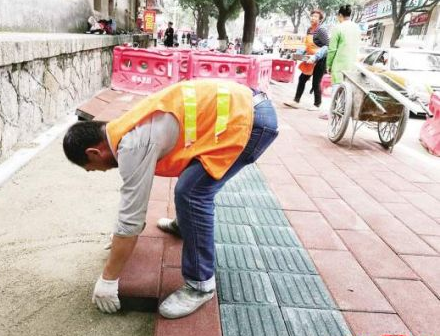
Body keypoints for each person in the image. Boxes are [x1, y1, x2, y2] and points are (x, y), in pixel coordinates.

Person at [62, 79, 279, 319]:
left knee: (192, 194)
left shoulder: (133, 143)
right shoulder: (125, 126)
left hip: (251, 122)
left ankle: (200, 285)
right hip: (245, 109)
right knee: (191, 182)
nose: (99, 172)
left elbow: (131, 219)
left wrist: (108, 279)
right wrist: (121, 235)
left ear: (94, 152)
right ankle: (186, 224)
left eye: (92, 168)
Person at [284, 9, 329, 111]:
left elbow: (327, 46)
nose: (313, 18)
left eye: (316, 17)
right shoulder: (309, 29)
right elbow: (306, 45)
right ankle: (296, 101)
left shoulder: (322, 30)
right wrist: (297, 54)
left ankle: (317, 104)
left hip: (320, 60)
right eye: (312, 16)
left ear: (320, 20)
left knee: (315, 82)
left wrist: (316, 57)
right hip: (309, 59)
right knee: (302, 79)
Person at [321, 5, 361, 119]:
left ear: (340, 15)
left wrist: (328, 64)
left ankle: (332, 113)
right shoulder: (357, 28)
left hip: (339, 64)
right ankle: (342, 112)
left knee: (337, 89)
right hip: (352, 65)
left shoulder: (338, 28)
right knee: (347, 91)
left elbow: (332, 49)